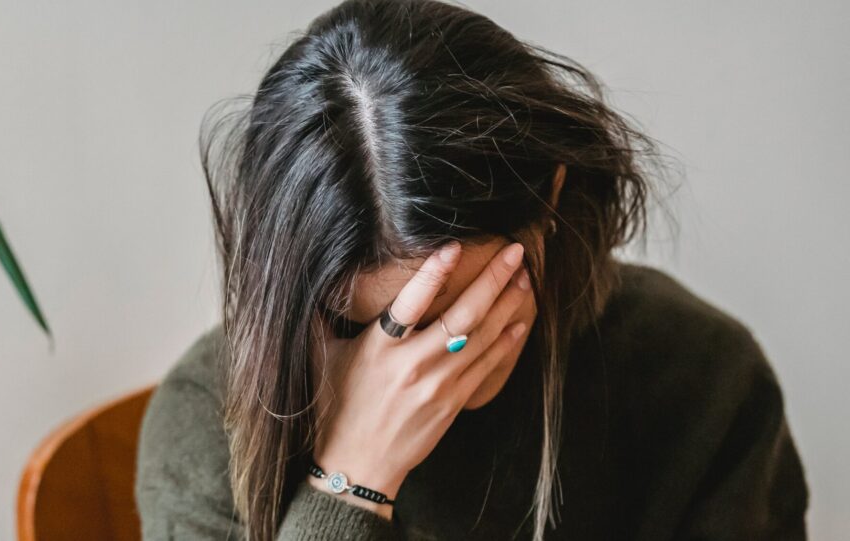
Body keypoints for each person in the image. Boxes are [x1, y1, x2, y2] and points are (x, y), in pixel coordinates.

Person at [135, 0, 810, 539]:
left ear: (549, 194)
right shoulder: (208, 424)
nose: (422, 364)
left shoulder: (702, 379)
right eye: (364, 324)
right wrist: (350, 482)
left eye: (465, 306)